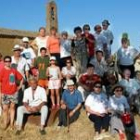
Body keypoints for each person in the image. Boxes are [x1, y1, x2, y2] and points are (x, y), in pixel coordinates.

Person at [0, 56, 23, 130]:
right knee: (5, 109)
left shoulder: (14, 70)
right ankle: (5, 124)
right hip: (5, 92)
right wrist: (1, 92)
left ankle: (11, 124)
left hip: (14, 92)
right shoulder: (2, 71)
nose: (7, 62)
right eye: (6, 61)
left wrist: (20, 86)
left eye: (9, 61)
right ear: (4, 62)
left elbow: (21, 78)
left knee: (12, 108)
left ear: (10, 62)